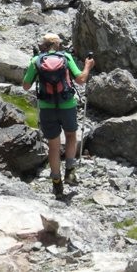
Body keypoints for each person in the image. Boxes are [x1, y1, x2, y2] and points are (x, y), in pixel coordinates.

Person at [22, 33, 94, 197]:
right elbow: (81, 80)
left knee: (53, 146)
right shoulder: (66, 57)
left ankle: (56, 184)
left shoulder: (36, 61)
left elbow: (26, 86)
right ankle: (69, 170)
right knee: (70, 136)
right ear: (58, 44)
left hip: (47, 107)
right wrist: (88, 65)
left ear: (44, 45)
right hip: (67, 104)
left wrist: (32, 68)